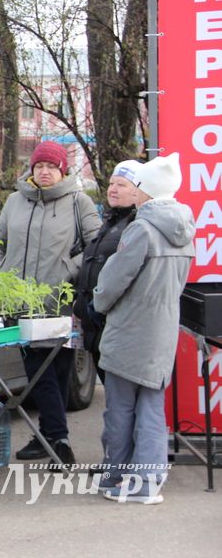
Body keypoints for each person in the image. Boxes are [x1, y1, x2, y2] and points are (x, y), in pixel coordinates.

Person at [0, 140, 101, 467]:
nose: (45, 172)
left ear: (62, 170)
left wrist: (69, 269)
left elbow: (97, 247)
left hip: (61, 302)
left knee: (54, 369)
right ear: (32, 169)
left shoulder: (78, 202)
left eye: (51, 167)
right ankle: (54, 438)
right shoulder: (14, 201)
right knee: (38, 368)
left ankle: (54, 438)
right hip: (20, 302)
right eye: (39, 166)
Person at [92, 153, 195, 504]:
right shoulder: (185, 228)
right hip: (163, 329)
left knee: (120, 407)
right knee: (152, 406)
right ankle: (148, 481)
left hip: (130, 330)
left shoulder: (142, 228)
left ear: (147, 191)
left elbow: (112, 282)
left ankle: (119, 479)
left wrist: (98, 304)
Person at [73, 160, 142, 382]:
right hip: (96, 330)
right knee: (115, 402)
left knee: (122, 404)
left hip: (115, 330)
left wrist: (95, 307)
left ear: (138, 191)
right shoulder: (111, 221)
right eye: (111, 183)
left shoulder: (137, 225)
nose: (112, 189)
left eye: (121, 184)